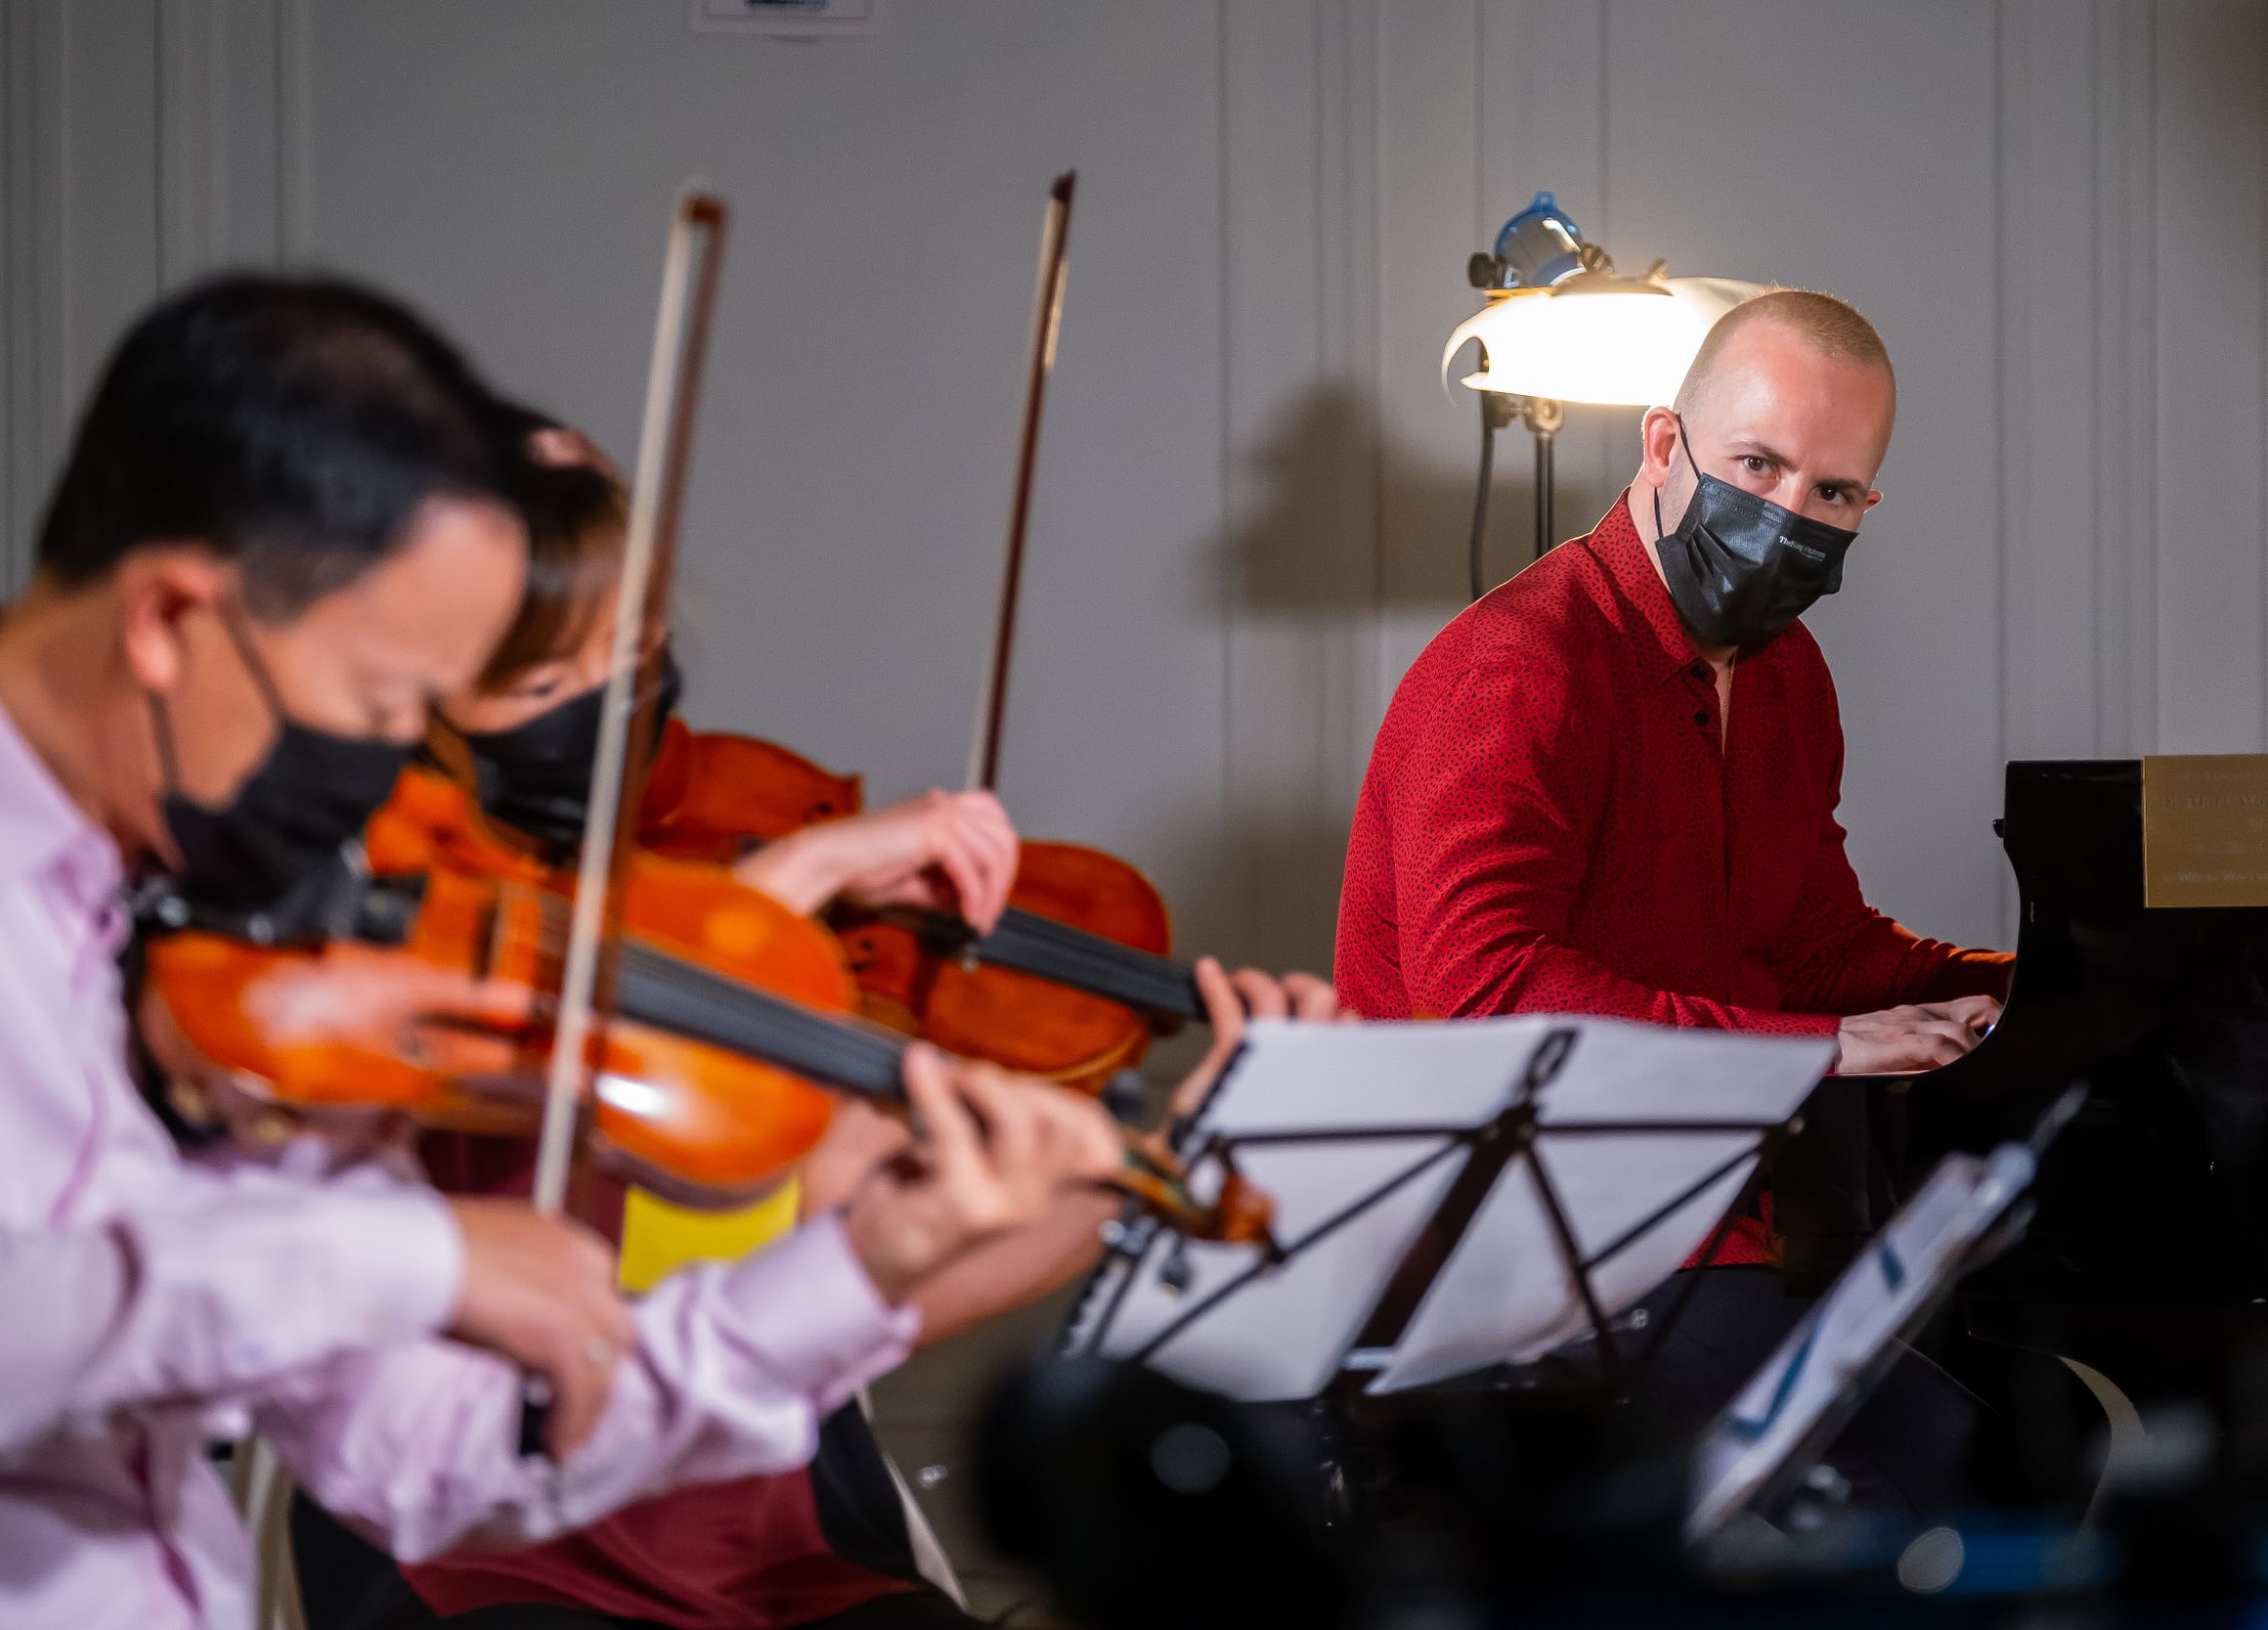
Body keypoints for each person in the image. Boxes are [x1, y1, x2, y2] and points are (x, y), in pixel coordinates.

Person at [0, 275, 1122, 1630]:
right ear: (170, 621)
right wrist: (414, 1256)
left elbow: (421, 1458)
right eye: (381, 700)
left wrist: (856, 1271)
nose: (401, 770)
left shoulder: (266, 975)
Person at [272, 444, 1340, 1630]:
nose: (608, 709)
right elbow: (539, 1045)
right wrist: (787, 883)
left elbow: (873, 1270)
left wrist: (1170, 1154)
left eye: (632, 654)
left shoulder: (719, 895)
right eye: (537, 687)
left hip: (763, 1541)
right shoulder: (344, 893)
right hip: (482, 1542)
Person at [1337, 288, 2012, 1073]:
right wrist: (1816, 1049)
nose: (1787, 517)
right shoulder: (1520, 666)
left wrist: (2041, 983)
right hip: (1497, 1184)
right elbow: (1483, 996)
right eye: (1759, 464)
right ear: (1663, 446)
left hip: (1709, 1177)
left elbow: (1813, 951)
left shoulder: (1789, 673)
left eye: (1831, 492)